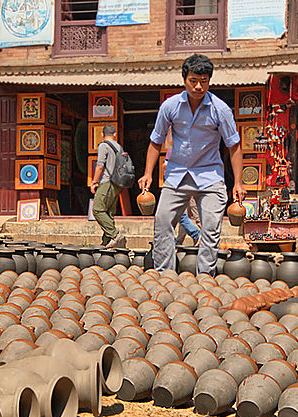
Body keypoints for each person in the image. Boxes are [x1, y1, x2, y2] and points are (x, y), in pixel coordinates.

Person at [138, 53, 245, 275]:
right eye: (193, 80)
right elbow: (156, 141)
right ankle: (165, 275)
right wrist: (148, 173)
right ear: (184, 79)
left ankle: (204, 278)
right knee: (162, 221)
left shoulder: (220, 109)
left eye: (204, 81)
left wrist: (238, 183)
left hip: (210, 176)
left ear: (209, 81)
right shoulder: (170, 106)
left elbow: (233, 146)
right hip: (177, 174)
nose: (198, 87)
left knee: (211, 229)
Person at [89, 124, 125, 247]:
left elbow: (100, 165)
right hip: (117, 183)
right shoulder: (119, 147)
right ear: (115, 134)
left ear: (102, 134)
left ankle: (115, 235)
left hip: (107, 182)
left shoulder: (103, 146)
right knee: (109, 212)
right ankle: (107, 243)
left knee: (97, 210)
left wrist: (94, 182)